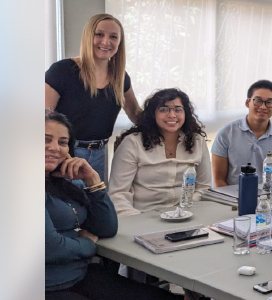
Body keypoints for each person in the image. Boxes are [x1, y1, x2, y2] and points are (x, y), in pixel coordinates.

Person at [45, 110, 179, 300]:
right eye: (45, 139)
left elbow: (107, 228)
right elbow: (51, 248)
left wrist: (93, 181)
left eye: (62, 142)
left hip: (79, 277)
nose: (55, 148)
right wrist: (87, 244)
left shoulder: (65, 182)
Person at [46, 14, 141, 181]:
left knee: (96, 204)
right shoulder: (61, 71)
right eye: (99, 34)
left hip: (99, 154)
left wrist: (169, 117)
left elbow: (135, 113)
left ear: (120, 42)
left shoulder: (120, 77)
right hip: (65, 155)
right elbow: (44, 119)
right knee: (69, 206)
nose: (106, 42)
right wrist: (61, 153)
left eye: (113, 37)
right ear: (88, 36)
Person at [108, 88, 212, 216]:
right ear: (153, 114)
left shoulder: (197, 141)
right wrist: (135, 220)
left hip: (187, 214)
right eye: (164, 109)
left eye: (178, 110)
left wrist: (186, 209)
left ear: (186, 113)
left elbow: (204, 187)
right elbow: (118, 194)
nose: (172, 115)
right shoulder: (133, 143)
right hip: (143, 216)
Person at [211, 80, 272, 187]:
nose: (263, 107)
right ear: (247, 103)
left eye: (269, 102)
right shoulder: (226, 134)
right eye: (258, 101)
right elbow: (219, 181)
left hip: (267, 199)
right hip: (232, 199)